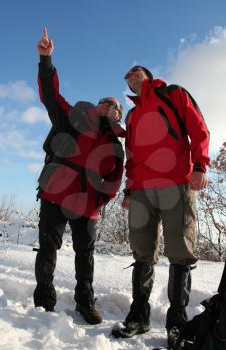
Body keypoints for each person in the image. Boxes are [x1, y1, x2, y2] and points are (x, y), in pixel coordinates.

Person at [112, 65, 210, 343]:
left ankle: (176, 324)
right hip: (142, 190)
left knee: (180, 250)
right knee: (142, 251)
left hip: (176, 183)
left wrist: (201, 165)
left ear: (148, 75)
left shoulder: (173, 94)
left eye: (135, 72)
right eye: (127, 77)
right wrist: (129, 189)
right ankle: (138, 316)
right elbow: (130, 154)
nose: (130, 77)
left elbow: (199, 128)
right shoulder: (132, 116)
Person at [33, 28, 125, 325]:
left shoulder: (114, 145)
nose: (106, 105)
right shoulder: (71, 118)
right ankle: (44, 302)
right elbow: (50, 96)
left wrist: (98, 202)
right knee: (48, 248)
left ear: (117, 116)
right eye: (104, 101)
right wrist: (46, 60)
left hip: (86, 205)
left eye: (113, 105)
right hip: (54, 193)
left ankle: (85, 302)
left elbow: (114, 181)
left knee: (85, 257)